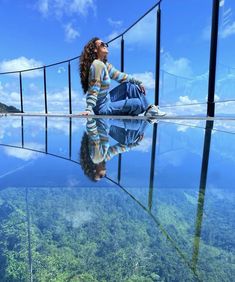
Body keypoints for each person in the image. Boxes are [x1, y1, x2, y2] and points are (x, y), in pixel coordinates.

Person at [79, 37, 166, 118]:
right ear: (95, 49)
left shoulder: (105, 65)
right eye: (102, 44)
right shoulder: (97, 64)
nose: (105, 45)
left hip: (107, 98)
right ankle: (149, 109)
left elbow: (120, 76)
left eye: (106, 44)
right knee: (137, 103)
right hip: (101, 108)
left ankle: (150, 108)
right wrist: (88, 109)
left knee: (129, 85)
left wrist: (138, 82)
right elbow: (94, 87)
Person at [80, 118, 147, 181]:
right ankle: (144, 119)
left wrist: (90, 120)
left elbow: (94, 137)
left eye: (101, 176)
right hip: (106, 124)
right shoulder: (103, 159)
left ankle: (147, 119)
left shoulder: (96, 158)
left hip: (101, 121)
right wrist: (136, 144)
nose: (104, 175)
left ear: (94, 170)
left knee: (130, 139)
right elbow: (118, 149)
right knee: (129, 140)